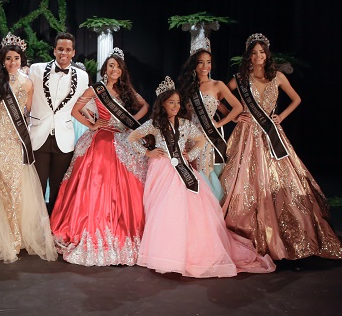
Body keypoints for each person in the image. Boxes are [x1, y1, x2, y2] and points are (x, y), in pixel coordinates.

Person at [128, 77, 275, 278]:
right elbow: (132, 137)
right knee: (163, 209)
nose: (175, 106)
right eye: (171, 102)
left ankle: (186, 252)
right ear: (163, 103)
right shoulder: (154, 124)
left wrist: (191, 155)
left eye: (178, 103)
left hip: (182, 168)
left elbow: (200, 140)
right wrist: (149, 152)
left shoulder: (186, 124)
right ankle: (166, 252)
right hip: (161, 169)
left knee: (186, 207)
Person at [220, 34, 342, 260]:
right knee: (244, 180)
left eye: (262, 52)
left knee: (282, 178)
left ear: (267, 54)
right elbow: (219, 97)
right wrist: (234, 117)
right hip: (247, 134)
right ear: (249, 56)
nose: (258, 56)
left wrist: (280, 117)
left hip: (271, 134)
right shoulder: (240, 78)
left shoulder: (277, 77)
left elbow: (296, 99)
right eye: (254, 52)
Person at [51, 49, 149, 266]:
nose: (114, 70)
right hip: (102, 138)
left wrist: (131, 120)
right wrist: (93, 125)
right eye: (111, 66)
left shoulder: (126, 90)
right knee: (97, 181)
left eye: (118, 66)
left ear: (123, 71)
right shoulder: (96, 90)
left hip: (122, 138)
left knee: (126, 184)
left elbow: (145, 106)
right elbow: (75, 110)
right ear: (105, 69)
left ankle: (124, 229)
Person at [0, 34, 56, 263]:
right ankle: (2, 234)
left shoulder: (27, 82)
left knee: (15, 189)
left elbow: (27, 113)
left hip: (16, 141)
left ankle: (15, 237)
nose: (12, 62)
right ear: (2, 60)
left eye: (16, 58)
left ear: (21, 59)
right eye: (8, 58)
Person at [28, 32, 89, 214]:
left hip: (64, 138)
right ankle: (36, 226)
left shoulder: (82, 76)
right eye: (60, 49)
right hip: (38, 135)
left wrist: (96, 122)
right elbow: (24, 94)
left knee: (59, 186)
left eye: (68, 50)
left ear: (73, 52)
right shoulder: (36, 69)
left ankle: (54, 226)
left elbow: (85, 104)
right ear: (54, 50)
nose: (64, 53)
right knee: (36, 185)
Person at [176, 38, 242, 201]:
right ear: (194, 65)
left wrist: (220, 123)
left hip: (209, 136)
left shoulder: (218, 85)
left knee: (206, 170)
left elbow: (238, 107)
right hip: (191, 135)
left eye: (209, 62)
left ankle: (211, 209)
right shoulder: (187, 87)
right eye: (201, 62)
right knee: (193, 170)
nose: (205, 67)